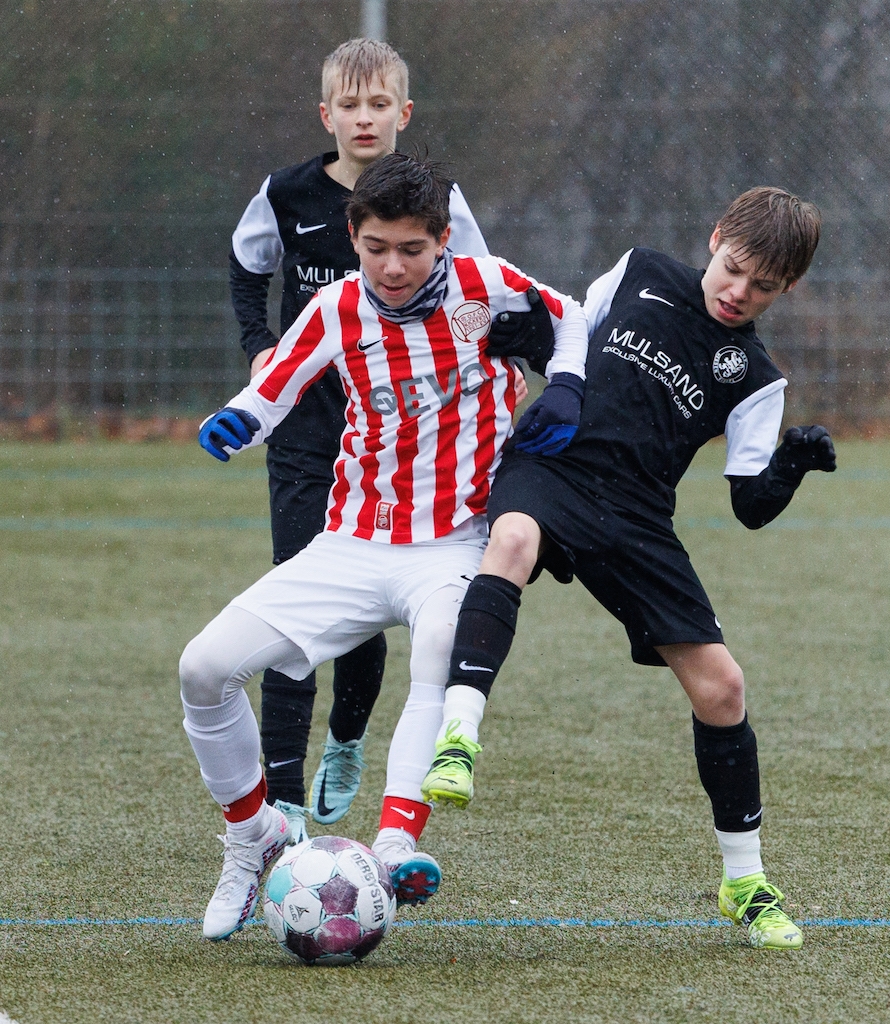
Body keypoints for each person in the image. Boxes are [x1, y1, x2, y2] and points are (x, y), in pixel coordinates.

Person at [181, 152, 588, 940]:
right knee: (202, 668)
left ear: (442, 240)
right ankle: (252, 835)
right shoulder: (335, 306)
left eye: (411, 249)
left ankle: (396, 843)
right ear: (352, 237)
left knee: (440, 647)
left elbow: (569, 314)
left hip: (456, 544)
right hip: (353, 542)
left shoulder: (484, 285)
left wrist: (566, 383)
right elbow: (274, 387)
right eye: (375, 249)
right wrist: (238, 419)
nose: (393, 267)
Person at [420, 187, 837, 950]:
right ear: (715, 238)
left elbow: (749, 504)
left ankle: (745, 881)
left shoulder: (755, 376)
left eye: (763, 286)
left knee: (723, 688)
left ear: (789, 288)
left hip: (637, 516)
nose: (738, 291)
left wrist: (792, 465)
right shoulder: (640, 271)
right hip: (556, 464)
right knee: (510, 542)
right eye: (733, 268)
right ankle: (459, 737)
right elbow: (573, 335)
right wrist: (536, 347)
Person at [229, 38, 528, 844]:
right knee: (296, 597)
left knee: (365, 615)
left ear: (404, 113)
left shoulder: (439, 202)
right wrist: (260, 345)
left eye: (379, 104)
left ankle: (347, 737)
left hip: (406, 432)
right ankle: (284, 799)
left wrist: (488, 363)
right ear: (326, 115)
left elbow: (482, 294)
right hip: (309, 427)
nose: (364, 118)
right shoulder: (287, 193)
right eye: (349, 105)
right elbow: (246, 266)